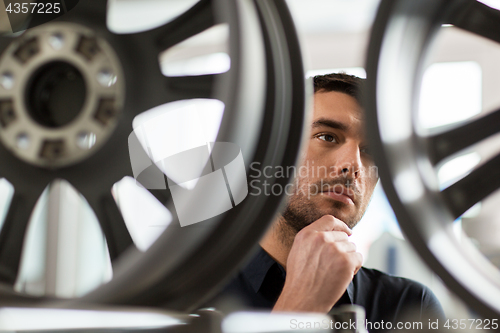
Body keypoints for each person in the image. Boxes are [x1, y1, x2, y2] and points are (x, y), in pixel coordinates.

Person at [203, 73, 445, 330]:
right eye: (327, 137)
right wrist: (299, 310)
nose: (353, 165)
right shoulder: (188, 292)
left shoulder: (409, 307)